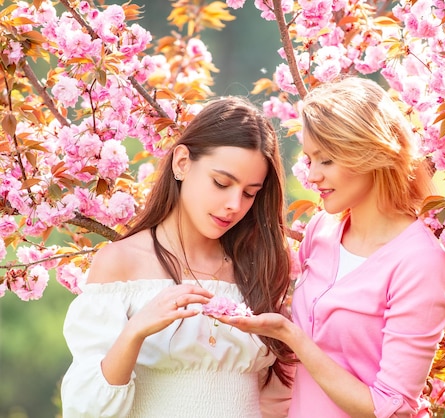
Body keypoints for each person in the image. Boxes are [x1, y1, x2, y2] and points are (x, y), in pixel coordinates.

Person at [219, 77, 445, 417]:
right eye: (310, 160)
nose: (312, 175)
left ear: (370, 153)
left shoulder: (421, 264)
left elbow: (389, 407)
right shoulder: (322, 232)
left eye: (326, 160)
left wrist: (293, 337)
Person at [60, 96, 294, 418]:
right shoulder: (122, 263)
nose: (234, 204)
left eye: (250, 193)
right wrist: (135, 331)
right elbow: (86, 408)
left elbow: (279, 397)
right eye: (221, 183)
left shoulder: (259, 267)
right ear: (182, 163)